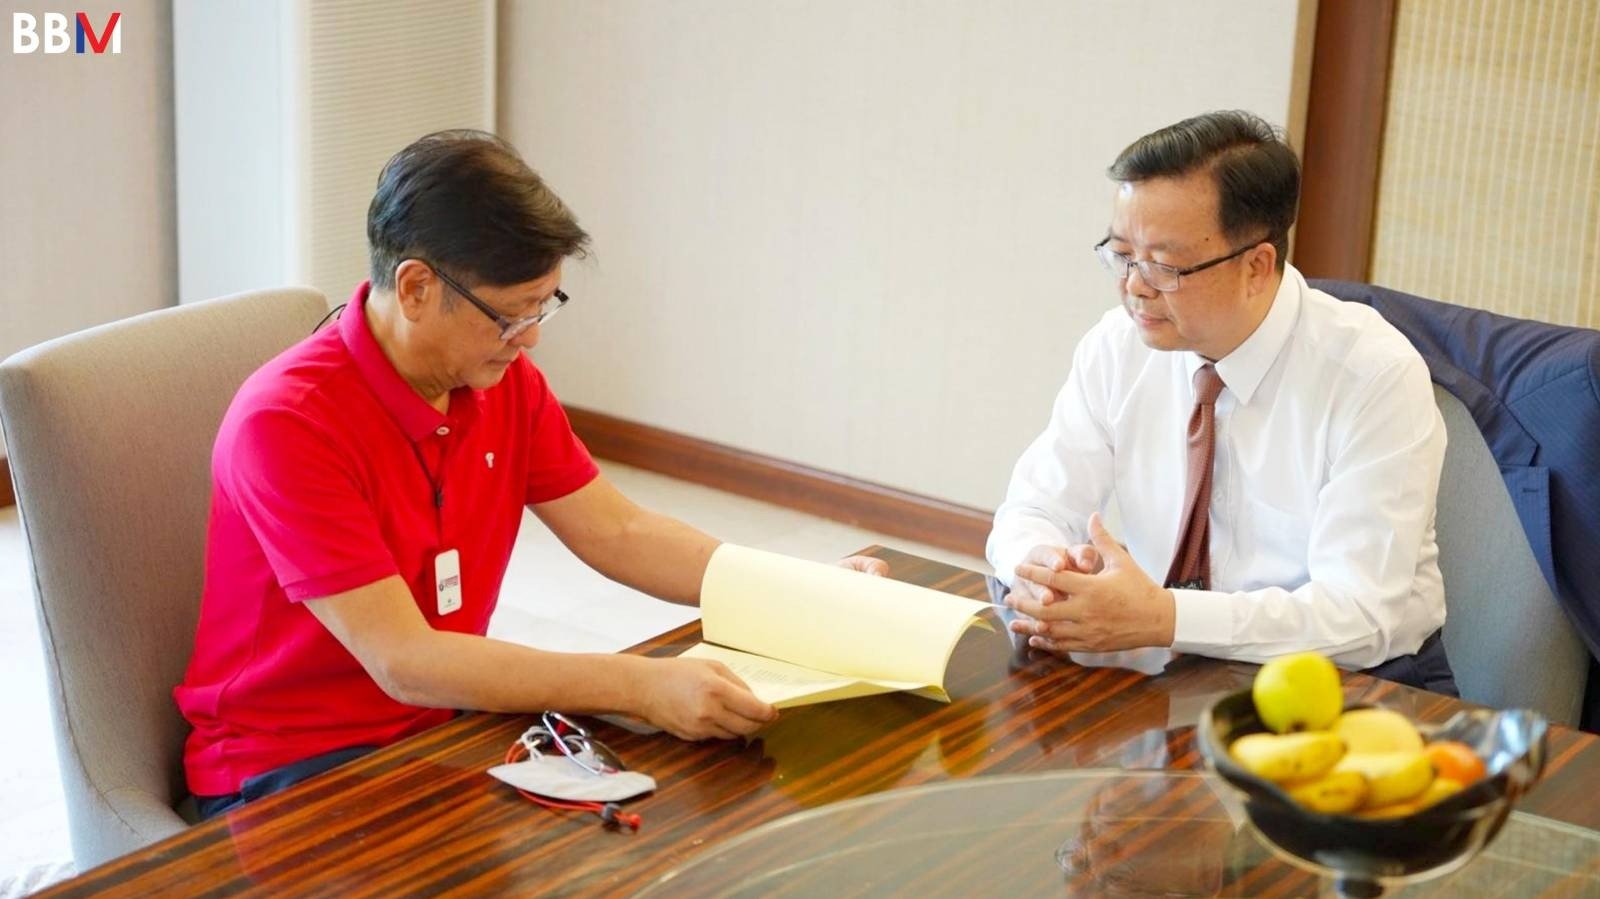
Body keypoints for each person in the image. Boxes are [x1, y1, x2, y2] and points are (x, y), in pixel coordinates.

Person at [174, 130, 886, 818]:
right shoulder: (289, 421)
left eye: (544, 306)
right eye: (511, 315)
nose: (532, 337)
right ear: (416, 288)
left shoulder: (500, 382)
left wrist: (797, 592)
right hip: (287, 765)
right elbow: (404, 660)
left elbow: (620, 530)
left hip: (444, 724)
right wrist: (636, 685)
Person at [986, 111, 1455, 693]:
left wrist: (1164, 617)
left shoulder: (1373, 377)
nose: (1134, 284)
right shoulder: (1117, 345)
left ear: (1256, 266)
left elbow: (1358, 614)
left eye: (1162, 264)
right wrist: (1045, 572)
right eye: (1121, 252)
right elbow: (1030, 507)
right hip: (1166, 664)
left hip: (1352, 682)